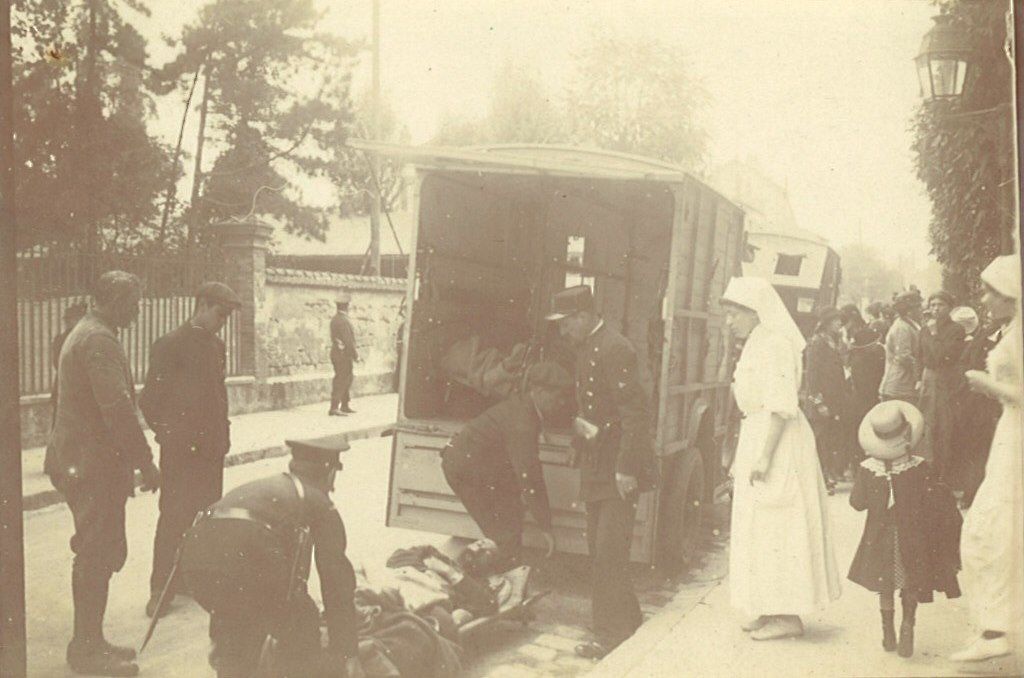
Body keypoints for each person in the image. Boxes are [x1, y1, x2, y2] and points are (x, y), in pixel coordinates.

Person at [44, 271, 161, 677]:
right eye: (134, 301)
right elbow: (117, 408)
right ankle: (85, 649)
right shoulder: (98, 339)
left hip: (82, 458)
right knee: (96, 551)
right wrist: (146, 461)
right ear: (114, 300)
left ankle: (91, 640)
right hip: (90, 464)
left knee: (101, 548)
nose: (138, 309)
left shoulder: (87, 331)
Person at [720, 276, 841, 641]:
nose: (729, 321)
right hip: (758, 433)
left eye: (734, 314)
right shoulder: (756, 343)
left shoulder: (774, 345)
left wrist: (763, 457)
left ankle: (788, 615)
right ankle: (769, 606)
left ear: (755, 312)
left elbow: (780, 406)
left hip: (777, 440)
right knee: (759, 524)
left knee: (778, 524)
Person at [178, 443, 362, 678]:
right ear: (330, 473)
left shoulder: (270, 488)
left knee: (239, 623)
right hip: (242, 560)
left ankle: (232, 665)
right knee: (303, 620)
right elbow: (336, 582)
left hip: (194, 560)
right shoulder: (320, 503)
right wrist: (348, 652)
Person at [546, 285, 655, 659]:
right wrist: (579, 444)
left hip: (616, 466)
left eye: (565, 324)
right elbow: (590, 406)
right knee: (601, 546)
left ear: (583, 316)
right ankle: (630, 620)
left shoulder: (615, 348)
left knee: (608, 550)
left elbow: (634, 415)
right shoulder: (587, 348)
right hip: (597, 462)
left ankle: (608, 634)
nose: (563, 332)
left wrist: (627, 469)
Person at [139, 281, 242, 618]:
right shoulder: (170, 345)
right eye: (220, 313)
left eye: (227, 316)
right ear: (201, 304)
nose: (223, 320)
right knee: (173, 517)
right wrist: (170, 434)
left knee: (205, 518)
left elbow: (218, 395)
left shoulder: (216, 346)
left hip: (211, 449)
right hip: (182, 451)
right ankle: (160, 590)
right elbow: (150, 401)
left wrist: (223, 435)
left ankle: (190, 580)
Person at [848, 401, 962, 658]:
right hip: (913, 538)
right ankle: (908, 624)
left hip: (880, 539)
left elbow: (856, 503)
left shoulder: (868, 469)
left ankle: (887, 631)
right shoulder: (919, 467)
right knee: (910, 580)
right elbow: (933, 502)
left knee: (885, 584)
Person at [952, 254, 1023, 663]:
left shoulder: (1017, 337)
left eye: (989, 293)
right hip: (1008, 434)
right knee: (993, 528)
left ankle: (997, 629)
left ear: (1010, 296)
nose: (983, 299)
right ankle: (996, 626)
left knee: (992, 529)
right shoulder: (1010, 331)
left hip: (1016, 434)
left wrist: (989, 385)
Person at [441, 361, 572, 567]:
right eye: (558, 396)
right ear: (538, 391)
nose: (562, 403)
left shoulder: (526, 406)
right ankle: (488, 584)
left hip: (479, 466)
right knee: (504, 538)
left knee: (511, 517)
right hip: (466, 471)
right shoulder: (523, 420)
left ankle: (504, 570)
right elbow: (529, 475)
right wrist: (545, 526)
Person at [951, 308, 1008, 508]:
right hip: (977, 403)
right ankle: (973, 492)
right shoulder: (985, 335)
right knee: (978, 448)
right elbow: (964, 363)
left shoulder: (1012, 336)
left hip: (1003, 404)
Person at [917, 291, 965, 480]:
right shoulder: (924, 330)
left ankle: (944, 476)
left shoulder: (956, 330)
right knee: (927, 426)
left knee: (945, 428)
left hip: (946, 382)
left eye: (940, 305)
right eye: (933, 305)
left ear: (949, 307)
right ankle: (929, 473)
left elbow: (940, 357)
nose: (935, 309)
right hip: (928, 382)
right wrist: (918, 379)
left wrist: (935, 333)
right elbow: (919, 356)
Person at [804, 307, 849, 492]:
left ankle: (825, 477)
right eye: (836, 320)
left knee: (829, 441)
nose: (840, 323)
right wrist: (819, 403)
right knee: (819, 441)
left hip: (833, 401)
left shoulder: (833, 341)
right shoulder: (817, 343)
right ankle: (819, 480)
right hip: (821, 402)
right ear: (827, 322)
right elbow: (812, 376)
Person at [846, 326, 886, 466]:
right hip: (865, 400)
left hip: (861, 400)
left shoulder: (860, 357)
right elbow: (868, 384)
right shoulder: (863, 361)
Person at [880, 290, 923, 404]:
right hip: (898, 387)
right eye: (918, 307)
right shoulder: (902, 328)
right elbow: (904, 356)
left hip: (905, 386)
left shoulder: (910, 325)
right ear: (909, 311)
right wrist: (920, 373)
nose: (921, 310)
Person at [50, 301, 88, 422]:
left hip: (62, 387)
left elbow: (56, 364)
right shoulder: (77, 339)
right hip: (74, 391)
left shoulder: (60, 339)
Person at [330, 290, 359, 415]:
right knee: (342, 379)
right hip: (343, 355)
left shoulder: (336, 319)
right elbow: (348, 341)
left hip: (338, 354)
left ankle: (345, 405)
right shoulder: (344, 321)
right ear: (346, 307)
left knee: (346, 378)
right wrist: (355, 355)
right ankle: (334, 407)